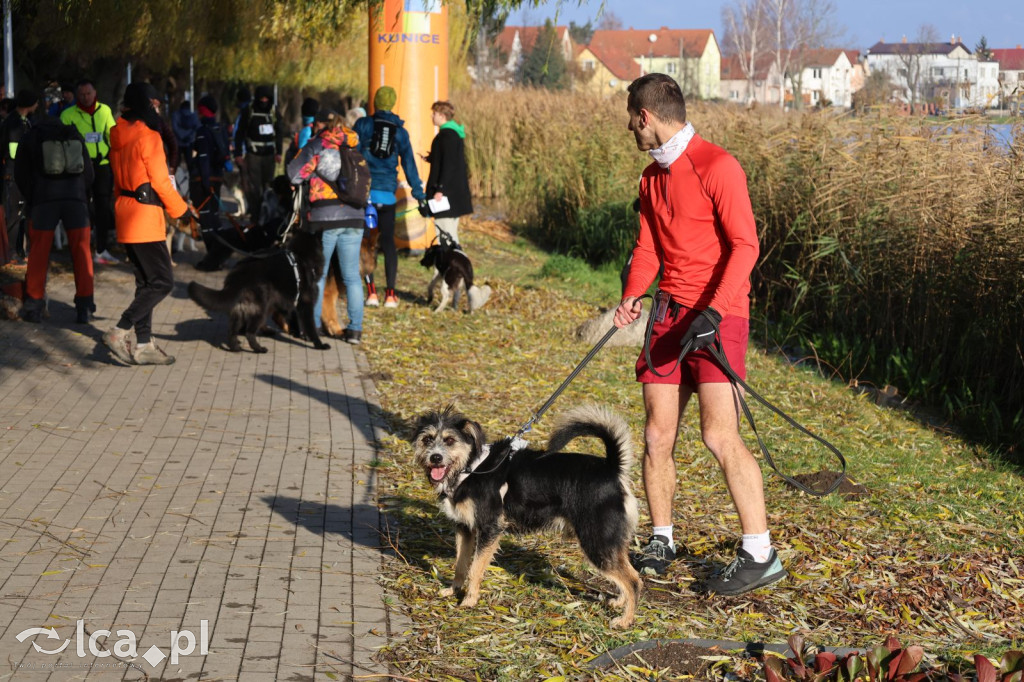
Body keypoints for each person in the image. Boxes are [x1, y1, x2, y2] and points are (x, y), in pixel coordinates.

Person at [612, 73, 784, 596]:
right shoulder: (650, 178)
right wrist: (633, 292)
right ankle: (661, 540)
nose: (629, 127)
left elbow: (745, 246)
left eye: (630, 118)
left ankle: (761, 552)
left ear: (645, 117)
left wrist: (715, 309)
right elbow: (647, 249)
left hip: (718, 318)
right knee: (657, 435)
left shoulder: (718, 165)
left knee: (718, 434)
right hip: (667, 316)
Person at [103, 82, 192, 366]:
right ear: (146, 105)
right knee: (164, 281)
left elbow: (117, 180)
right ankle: (120, 330)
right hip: (145, 215)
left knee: (146, 283)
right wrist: (182, 211)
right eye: (154, 103)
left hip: (126, 212)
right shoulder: (148, 137)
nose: (157, 108)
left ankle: (144, 345)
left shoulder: (117, 135)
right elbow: (161, 182)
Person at [286, 109, 365, 344]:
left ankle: (315, 326)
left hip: (325, 217)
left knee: (318, 273)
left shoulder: (317, 145)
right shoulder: (353, 144)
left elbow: (293, 174)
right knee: (351, 276)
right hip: (355, 216)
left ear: (320, 124)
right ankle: (355, 330)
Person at [14, 113, 95, 323]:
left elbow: (20, 173)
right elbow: (89, 173)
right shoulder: (74, 134)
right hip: (75, 201)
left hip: (43, 201)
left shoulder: (31, 137)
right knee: (82, 252)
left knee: (39, 253)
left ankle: (33, 306)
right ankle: (84, 307)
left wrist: (32, 197)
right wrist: (80, 195)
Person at [352, 86, 425, 308]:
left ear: (374, 102)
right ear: (392, 104)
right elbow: (410, 165)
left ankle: (371, 293)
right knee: (388, 245)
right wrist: (419, 193)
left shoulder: (363, 125)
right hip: (389, 198)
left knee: (365, 244)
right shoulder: (401, 133)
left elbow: (350, 153)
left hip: (366, 197)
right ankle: (391, 295)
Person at [61, 79, 118, 265]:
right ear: (78, 95)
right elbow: (63, 141)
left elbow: (113, 136)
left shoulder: (105, 110)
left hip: (102, 165)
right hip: (80, 168)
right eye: (82, 94)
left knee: (103, 207)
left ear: (95, 93)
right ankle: (81, 248)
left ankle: (101, 249)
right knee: (81, 207)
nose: (86, 97)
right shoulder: (68, 114)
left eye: (88, 93)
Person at [190, 95, 233, 271]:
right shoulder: (221, 128)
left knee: (206, 221)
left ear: (202, 110)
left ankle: (212, 260)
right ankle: (218, 256)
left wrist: (205, 182)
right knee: (214, 218)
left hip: (204, 181)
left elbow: (203, 159)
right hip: (218, 178)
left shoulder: (203, 131)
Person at [424, 100, 472, 246]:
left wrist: (440, 189)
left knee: (446, 237)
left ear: (441, 115)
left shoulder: (446, 136)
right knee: (449, 233)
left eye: (434, 114)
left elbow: (448, 166)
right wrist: (432, 158)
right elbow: (450, 160)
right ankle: (452, 266)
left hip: (445, 197)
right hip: (454, 195)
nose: (432, 117)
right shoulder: (455, 134)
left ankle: (452, 267)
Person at [1, 89, 38, 264]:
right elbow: (14, 150)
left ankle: (19, 251)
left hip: (21, 173)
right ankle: (11, 254)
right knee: (15, 215)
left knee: (21, 215)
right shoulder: (14, 123)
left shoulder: (24, 121)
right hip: (14, 174)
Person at [234, 84, 281, 220]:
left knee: (268, 186)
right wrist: (237, 154)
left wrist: (279, 151)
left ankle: (268, 216)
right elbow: (240, 133)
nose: (264, 101)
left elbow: (279, 131)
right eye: (262, 98)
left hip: (269, 155)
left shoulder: (273, 111)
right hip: (253, 155)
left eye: (267, 98)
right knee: (254, 188)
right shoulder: (248, 111)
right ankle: (255, 215)